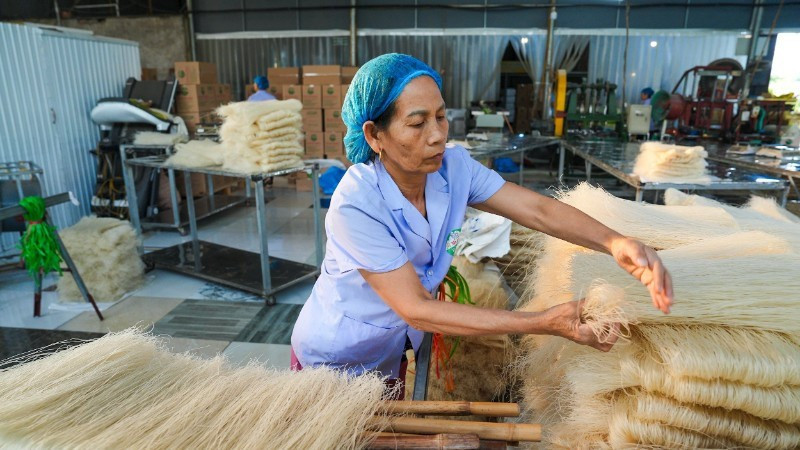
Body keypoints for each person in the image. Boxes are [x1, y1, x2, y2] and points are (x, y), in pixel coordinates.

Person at [290, 54, 673, 398]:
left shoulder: (453, 168)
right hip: (335, 357)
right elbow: (417, 309)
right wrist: (545, 321)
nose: (438, 134)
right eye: (417, 123)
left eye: (441, 116)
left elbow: (536, 210)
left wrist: (615, 242)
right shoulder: (357, 203)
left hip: (389, 351)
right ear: (375, 135)